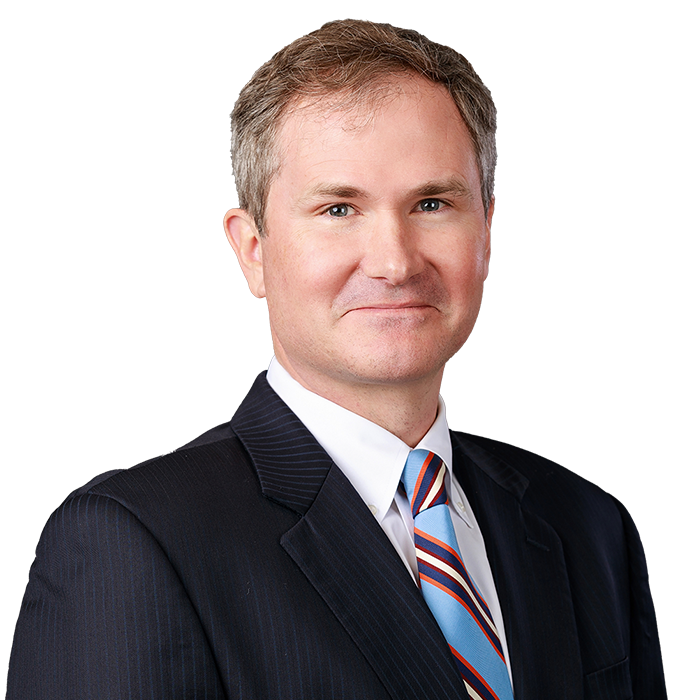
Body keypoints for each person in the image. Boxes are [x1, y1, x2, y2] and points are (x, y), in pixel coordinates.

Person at [7, 19, 666, 699]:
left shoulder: (587, 526)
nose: (395, 263)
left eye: (432, 203)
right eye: (338, 209)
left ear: (486, 235)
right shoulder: (134, 541)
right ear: (253, 251)